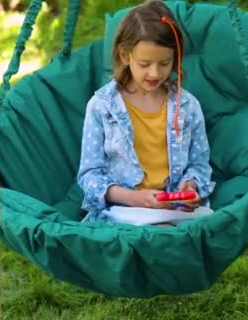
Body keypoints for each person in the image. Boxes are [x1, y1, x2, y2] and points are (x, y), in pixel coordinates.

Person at [77, 0, 215, 226]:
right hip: (123, 209)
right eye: (144, 63)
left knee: (203, 228)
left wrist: (190, 187)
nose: (155, 72)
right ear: (125, 56)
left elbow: (199, 164)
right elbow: (89, 174)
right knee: (160, 237)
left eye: (164, 63)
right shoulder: (102, 107)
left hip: (173, 207)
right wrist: (133, 197)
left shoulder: (187, 106)